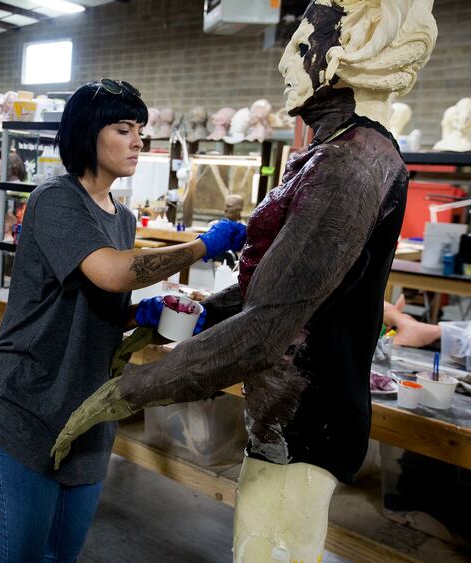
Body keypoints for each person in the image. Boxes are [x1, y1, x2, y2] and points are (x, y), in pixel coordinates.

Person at [52, 3, 437, 561]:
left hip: (309, 419)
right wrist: (204, 314)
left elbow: (268, 325)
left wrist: (125, 392)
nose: (286, 60)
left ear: (355, 52)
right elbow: (274, 290)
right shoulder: (331, 153)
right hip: (285, 407)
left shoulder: (351, 164)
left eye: (303, 46)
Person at [0, 79, 245, 562]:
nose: (138, 140)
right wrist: (203, 244)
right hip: (29, 401)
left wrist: (135, 317)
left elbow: (95, 298)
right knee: (21, 554)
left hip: (89, 409)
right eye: (124, 129)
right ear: (87, 133)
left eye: (140, 129)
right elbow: (111, 272)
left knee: (63, 552)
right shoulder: (55, 199)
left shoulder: (121, 218)